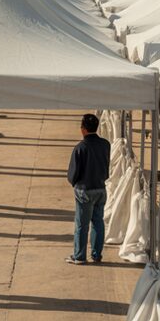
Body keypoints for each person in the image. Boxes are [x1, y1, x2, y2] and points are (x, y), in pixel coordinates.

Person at [66, 113, 110, 265]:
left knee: (81, 225)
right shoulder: (105, 144)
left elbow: (73, 173)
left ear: (83, 129)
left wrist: (74, 182)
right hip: (100, 188)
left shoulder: (80, 148)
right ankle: (96, 255)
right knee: (98, 222)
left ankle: (79, 256)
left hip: (84, 190)